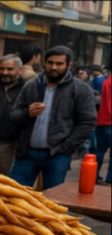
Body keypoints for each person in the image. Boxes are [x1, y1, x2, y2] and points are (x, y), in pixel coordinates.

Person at [9, 45, 97, 190]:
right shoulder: (31, 86)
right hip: (26, 154)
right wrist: (27, 113)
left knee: (53, 200)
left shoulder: (81, 89)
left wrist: (65, 148)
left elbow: (88, 122)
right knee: (15, 195)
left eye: (59, 64)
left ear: (69, 65)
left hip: (57, 155)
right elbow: (13, 115)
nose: (53, 67)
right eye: (50, 63)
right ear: (44, 63)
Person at [95, 73, 111, 184]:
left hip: (101, 121)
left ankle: (93, 175)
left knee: (99, 151)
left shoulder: (106, 81)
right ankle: (110, 178)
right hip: (110, 122)